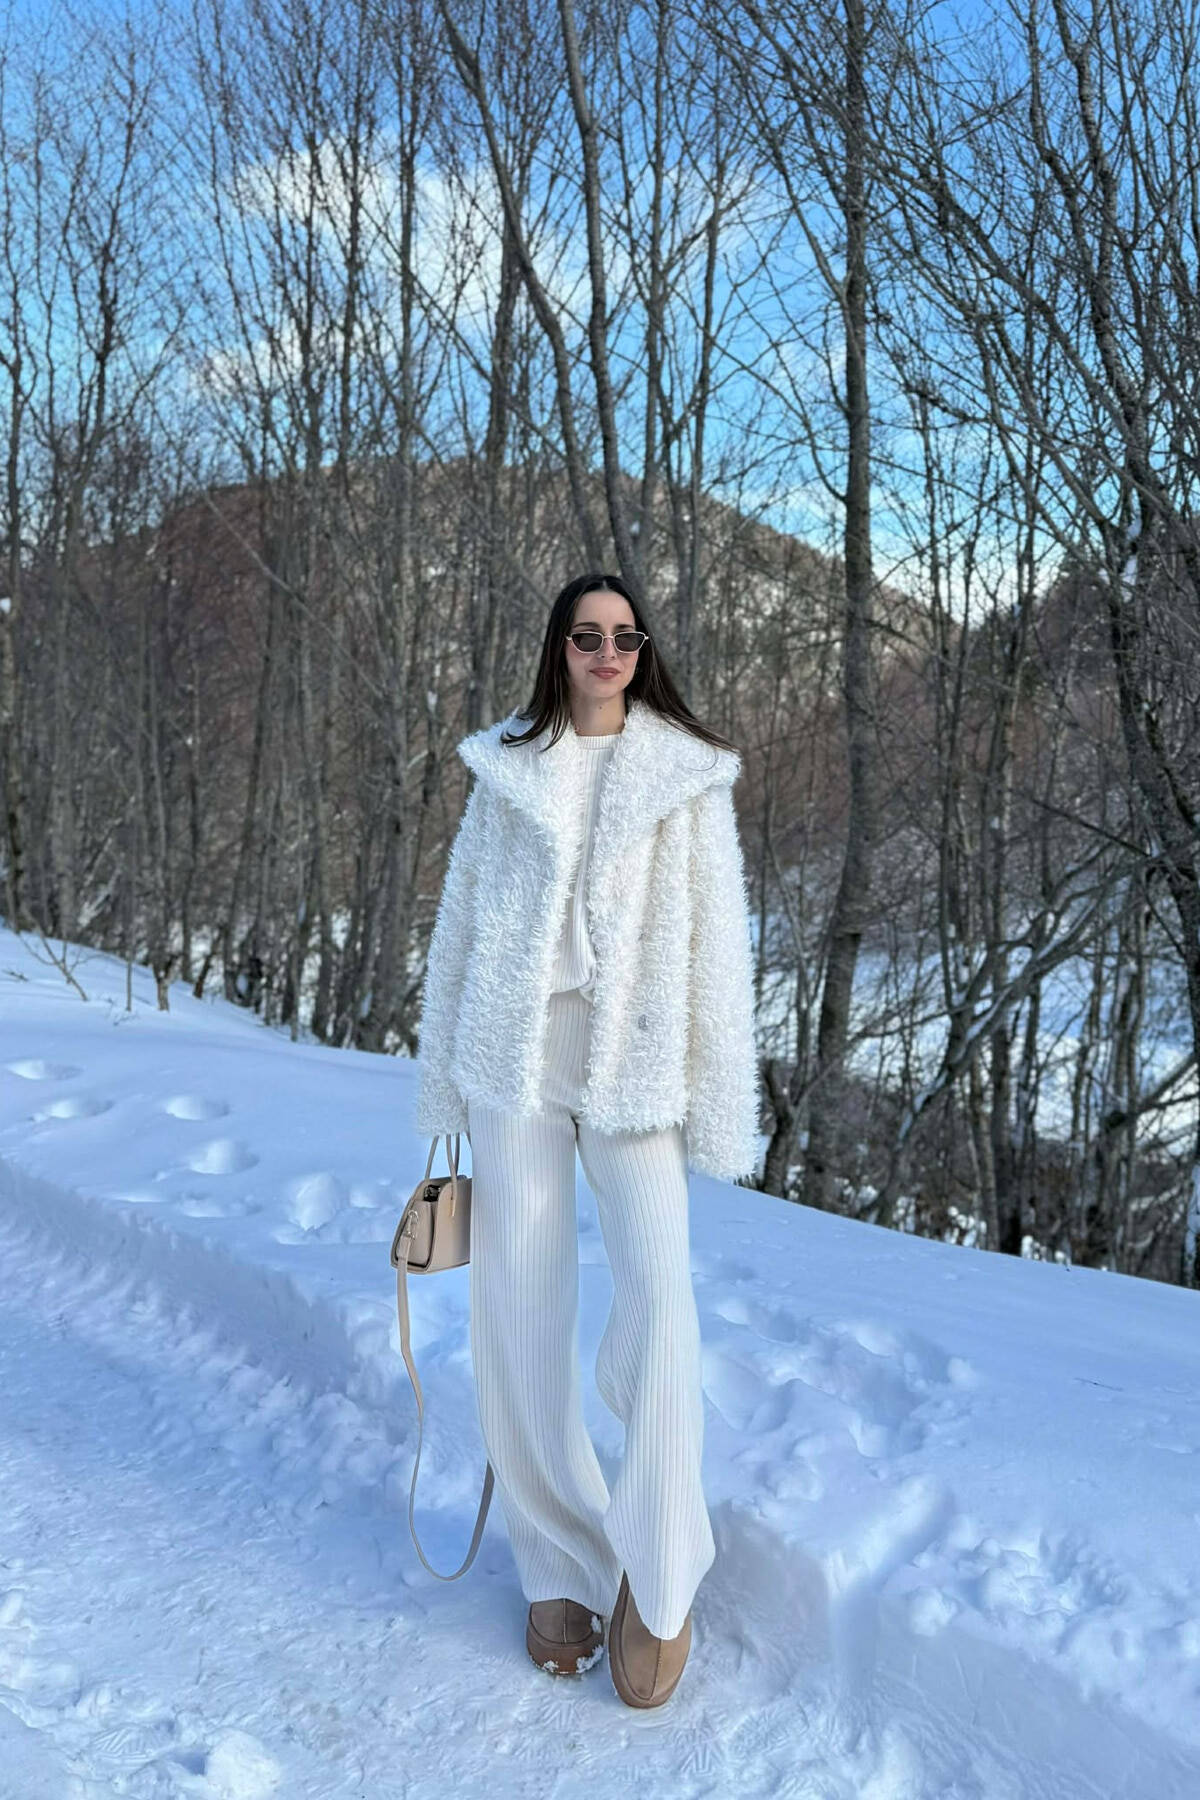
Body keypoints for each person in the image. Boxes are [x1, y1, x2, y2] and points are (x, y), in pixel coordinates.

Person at [413, 571, 760, 1708]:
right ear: (557, 648)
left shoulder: (686, 774)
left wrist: (722, 1101)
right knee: (518, 1310)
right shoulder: (508, 765)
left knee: (661, 1301)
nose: (607, 652)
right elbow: (460, 929)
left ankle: (660, 1578)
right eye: (586, 635)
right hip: (515, 1060)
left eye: (625, 636)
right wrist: (442, 1089)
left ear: (643, 651)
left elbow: (719, 949)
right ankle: (559, 1562)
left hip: (637, 1066)